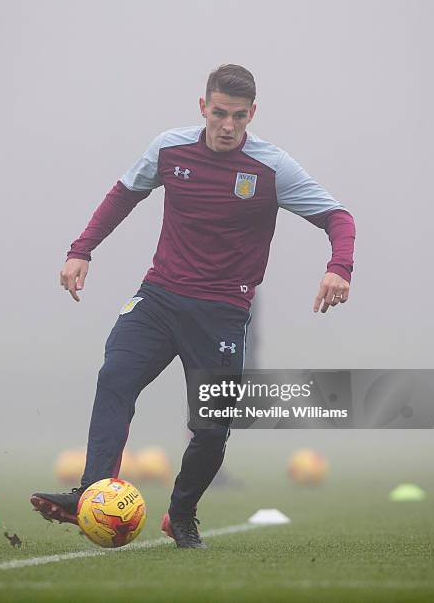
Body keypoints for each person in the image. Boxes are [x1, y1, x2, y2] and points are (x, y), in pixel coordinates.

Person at [30, 64, 356, 548]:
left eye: (239, 117)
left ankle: (181, 515)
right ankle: (91, 493)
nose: (228, 126)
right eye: (220, 113)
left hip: (222, 312)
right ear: (203, 107)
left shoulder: (272, 168)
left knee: (211, 427)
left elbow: (338, 217)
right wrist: (81, 249)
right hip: (159, 297)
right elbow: (122, 196)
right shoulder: (169, 149)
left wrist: (340, 267)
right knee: (114, 377)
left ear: (253, 114)